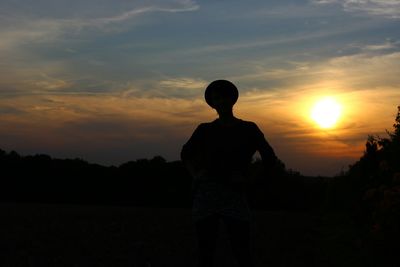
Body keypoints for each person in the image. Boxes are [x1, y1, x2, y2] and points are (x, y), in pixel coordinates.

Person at [181, 80, 279, 267]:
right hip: (207, 194)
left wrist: (250, 180)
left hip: (235, 193)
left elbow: (269, 158)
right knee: (205, 251)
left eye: (224, 97)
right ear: (212, 103)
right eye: (216, 98)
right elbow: (186, 154)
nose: (221, 102)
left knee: (241, 250)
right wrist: (196, 176)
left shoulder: (249, 129)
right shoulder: (205, 129)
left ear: (232, 100)